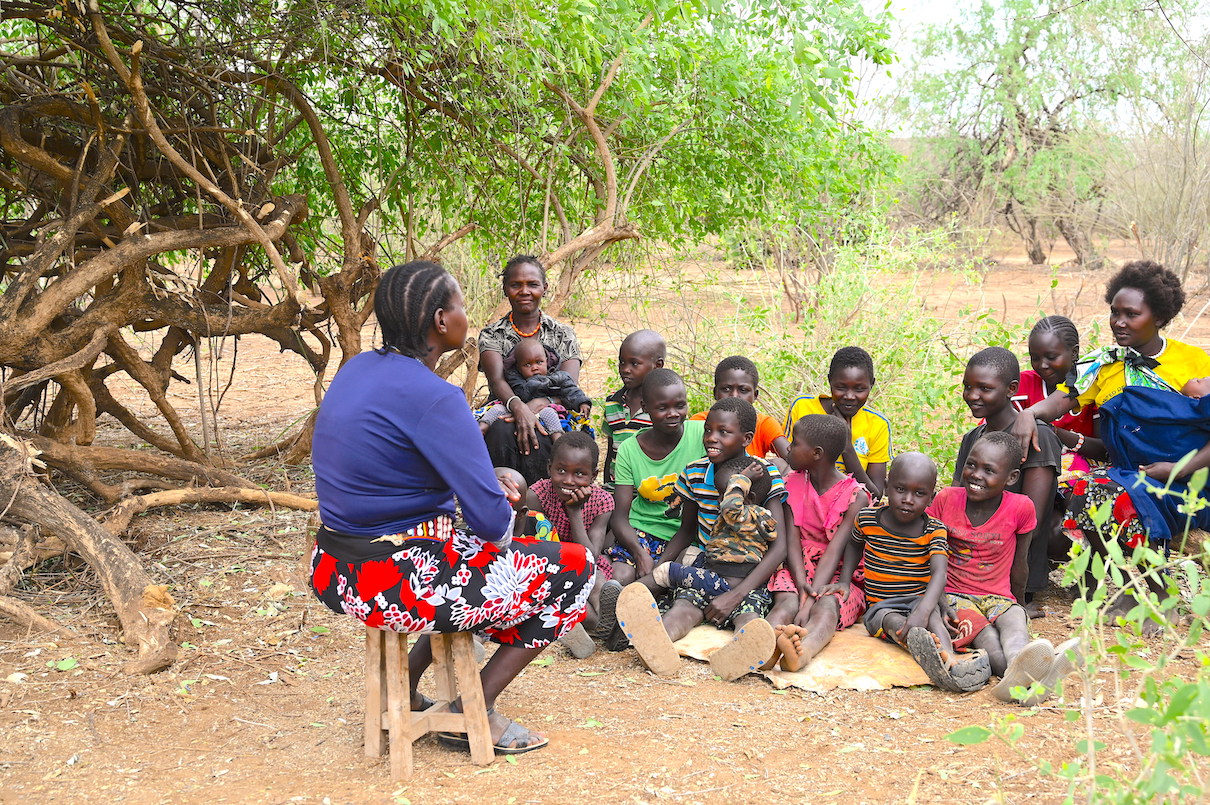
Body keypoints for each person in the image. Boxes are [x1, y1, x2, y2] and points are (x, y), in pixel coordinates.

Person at [310, 261, 593, 756]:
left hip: (336, 570)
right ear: (442, 321)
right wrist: (498, 490)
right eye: (461, 305)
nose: (467, 315)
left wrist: (479, 479)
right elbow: (493, 527)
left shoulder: (357, 369)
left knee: (465, 557)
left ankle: (410, 685)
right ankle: (472, 707)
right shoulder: (438, 397)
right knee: (575, 570)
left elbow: (388, 466)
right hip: (395, 580)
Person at [1012, 261, 1210, 633]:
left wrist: (1178, 469)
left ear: (1160, 316)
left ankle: (1163, 597)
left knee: (1102, 492)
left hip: (1188, 479)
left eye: (1131, 314)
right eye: (1114, 312)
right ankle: (1129, 588)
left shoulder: (1194, 362)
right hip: (1129, 475)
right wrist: (1030, 414)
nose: (1119, 321)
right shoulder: (1102, 366)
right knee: (1086, 491)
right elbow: (1062, 400)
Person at [616, 398, 789, 681]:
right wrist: (660, 566)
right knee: (683, 607)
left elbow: (778, 545)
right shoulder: (695, 472)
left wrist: (737, 594)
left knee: (748, 617)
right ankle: (657, 645)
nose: (712, 438)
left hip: (748, 573)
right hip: (706, 566)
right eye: (708, 430)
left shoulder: (764, 473)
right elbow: (686, 530)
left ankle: (742, 653)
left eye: (723, 432)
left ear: (747, 438)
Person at [833, 452, 991, 692]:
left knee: (934, 618)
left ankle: (947, 658)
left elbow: (939, 572)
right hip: (880, 604)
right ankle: (916, 640)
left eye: (919, 494)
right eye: (900, 489)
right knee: (887, 620)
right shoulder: (867, 519)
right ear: (886, 487)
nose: (908, 499)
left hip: (918, 600)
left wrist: (925, 610)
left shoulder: (934, 529)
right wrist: (845, 580)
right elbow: (853, 545)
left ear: (931, 498)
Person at [927, 431, 1065, 703]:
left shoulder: (1021, 508)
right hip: (956, 597)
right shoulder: (946, 500)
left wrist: (1020, 602)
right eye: (971, 465)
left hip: (1000, 595)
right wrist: (937, 600)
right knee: (989, 640)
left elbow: (1020, 561)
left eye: (989, 470)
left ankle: (1029, 672)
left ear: (1011, 478)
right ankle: (1025, 682)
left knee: (1015, 629)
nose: (976, 475)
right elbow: (927, 553)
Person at [600, 369, 705, 648]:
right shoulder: (630, 450)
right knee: (622, 575)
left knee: (667, 576)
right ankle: (615, 619)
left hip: (684, 537)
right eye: (662, 407)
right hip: (641, 533)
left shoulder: (700, 436)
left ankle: (621, 626)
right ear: (645, 408)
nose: (673, 413)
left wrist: (661, 562)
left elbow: (691, 523)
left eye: (679, 405)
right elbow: (620, 517)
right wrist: (640, 552)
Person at [956, 347, 1061, 616]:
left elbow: (1032, 524)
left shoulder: (1039, 437)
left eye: (984, 388)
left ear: (1011, 389)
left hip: (1010, 573)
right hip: (966, 567)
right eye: (968, 386)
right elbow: (957, 503)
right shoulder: (973, 438)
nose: (972, 395)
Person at [763, 415, 870, 672]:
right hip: (796, 566)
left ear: (817, 453)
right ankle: (762, 648)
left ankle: (802, 651)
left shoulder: (856, 496)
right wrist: (801, 585)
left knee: (828, 607)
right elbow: (791, 540)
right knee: (786, 602)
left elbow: (835, 551)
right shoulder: (792, 483)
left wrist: (810, 600)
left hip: (835, 573)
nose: (788, 447)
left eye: (795, 443)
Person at [480, 255, 586, 483]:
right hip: (505, 406)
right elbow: (497, 381)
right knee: (500, 430)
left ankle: (545, 505)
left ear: (545, 288)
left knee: (551, 431)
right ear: (505, 289)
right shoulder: (492, 334)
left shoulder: (562, 333)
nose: (524, 291)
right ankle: (507, 505)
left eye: (533, 284)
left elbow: (568, 381)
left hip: (554, 407)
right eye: (516, 285)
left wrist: (536, 405)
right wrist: (518, 408)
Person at [527, 432, 614, 657]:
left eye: (579, 474)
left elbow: (591, 557)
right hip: (548, 566)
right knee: (562, 593)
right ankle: (593, 626)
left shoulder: (602, 501)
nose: (568, 480)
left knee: (599, 582)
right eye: (561, 470)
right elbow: (537, 549)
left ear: (593, 476)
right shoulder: (537, 496)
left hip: (586, 565)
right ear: (549, 468)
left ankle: (605, 623)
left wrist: (574, 512)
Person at [651, 456, 777, 601]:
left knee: (666, 571)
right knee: (688, 553)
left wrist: (742, 480)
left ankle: (631, 597)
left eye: (725, 495)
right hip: (720, 571)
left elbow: (731, 507)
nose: (719, 500)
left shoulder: (744, 516)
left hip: (724, 582)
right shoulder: (761, 518)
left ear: (748, 499)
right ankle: (663, 596)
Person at [784, 347, 891, 499]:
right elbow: (786, 465)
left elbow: (874, 495)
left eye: (859, 389)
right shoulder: (803, 407)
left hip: (850, 510)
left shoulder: (877, 425)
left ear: (871, 385)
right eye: (841, 387)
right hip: (800, 500)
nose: (849, 396)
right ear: (830, 381)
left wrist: (846, 447)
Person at [477, 337, 591, 440]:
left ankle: (557, 439)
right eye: (527, 365)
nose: (534, 368)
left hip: (544, 408)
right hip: (516, 408)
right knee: (497, 409)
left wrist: (582, 402)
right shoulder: (514, 378)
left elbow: (571, 390)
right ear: (518, 367)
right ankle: (481, 428)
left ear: (547, 361)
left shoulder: (558, 377)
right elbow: (511, 391)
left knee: (550, 414)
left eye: (539, 362)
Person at [689, 356, 790, 461]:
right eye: (726, 389)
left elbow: (792, 458)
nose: (734, 395)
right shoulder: (700, 422)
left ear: (755, 395)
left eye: (743, 390)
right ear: (715, 393)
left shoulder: (763, 424)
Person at [602, 330, 666, 486]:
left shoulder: (664, 408)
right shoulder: (612, 404)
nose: (625, 369)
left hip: (650, 489)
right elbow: (611, 451)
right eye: (622, 362)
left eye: (634, 363)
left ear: (657, 366)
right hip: (616, 486)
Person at [496, 467, 555, 541]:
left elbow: (554, 551)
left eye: (502, 511)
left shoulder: (542, 526)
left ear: (522, 513)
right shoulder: (478, 522)